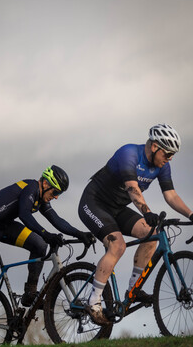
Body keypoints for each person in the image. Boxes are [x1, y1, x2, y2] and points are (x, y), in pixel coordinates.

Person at [0, 165, 94, 344]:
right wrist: (46, 233)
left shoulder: (41, 197)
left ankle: (30, 294)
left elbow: (56, 220)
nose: (56, 197)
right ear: (46, 184)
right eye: (56, 191)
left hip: (2, 226)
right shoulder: (31, 189)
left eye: (60, 194)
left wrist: (80, 234)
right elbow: (25, 215)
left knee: (39, 245)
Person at [78, 123, 193, 325]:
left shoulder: (163, 166)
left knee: (152, 233)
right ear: (155, 146)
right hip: (94, 202)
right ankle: (93, 301)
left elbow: (171, 195)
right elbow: (132, 188)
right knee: (118, 245)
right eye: (168, 154)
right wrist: (147, 212)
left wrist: (191, 215)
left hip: (117, 208)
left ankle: (133, 289)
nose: (170, 159)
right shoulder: (129, 153)